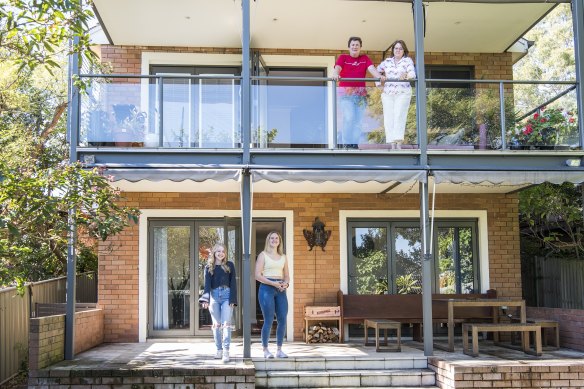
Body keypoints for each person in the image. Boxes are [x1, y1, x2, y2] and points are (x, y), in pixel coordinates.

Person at [332, 36, 385, 149]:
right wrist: (336, 74)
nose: (355, 47)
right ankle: (346, 143)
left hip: (361, 96)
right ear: (349, 47)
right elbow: (337, 68)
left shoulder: (364, 58)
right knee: (349, 117)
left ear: (360, 47)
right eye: (353, 45)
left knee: (358, 121)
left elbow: (372, 69)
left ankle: (354, 144)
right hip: (346, 96)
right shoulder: (343, 57)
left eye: (357, 45)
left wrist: (379, 77)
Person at [199, 243, 237, 363]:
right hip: (214, 296)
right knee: (216, 325)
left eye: (223, 251)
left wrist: (232, 299)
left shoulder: (229, 265)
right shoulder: (208, 267)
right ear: (214, 252)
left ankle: (226, 351)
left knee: (226, 324)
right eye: (218, 251)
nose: (221, 253)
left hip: (226, 296)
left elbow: (233, 284)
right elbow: (207, 286)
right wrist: (206, 299)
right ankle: (219, 350)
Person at [255, 231, 290, 359]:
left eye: (276, 238)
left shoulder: (283, 257)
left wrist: (285, 284)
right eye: (272, 238)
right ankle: (265, 350)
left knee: (282, 319)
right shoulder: (262, 255)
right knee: (268, 320)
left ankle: (279, 350)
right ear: (268, 240)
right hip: (266, 288)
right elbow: (257, 275)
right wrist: (273, 283)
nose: (274, 240)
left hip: (280, 289)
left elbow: (286, 276)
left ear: (279, 241)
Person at [376, 39, 416, 149]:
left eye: (400, 48)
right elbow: (377, 72)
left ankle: (398, 143)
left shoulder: (407, 61)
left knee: (399, 116)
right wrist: (380, 85)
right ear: (393, 50)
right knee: (389, 117)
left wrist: (407, 75)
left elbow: (412, 73)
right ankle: (391, 143)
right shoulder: (387, 62)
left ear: (404, 50)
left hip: (402, 93)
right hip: (388, 93)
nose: (398, 50)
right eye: (396, 48)